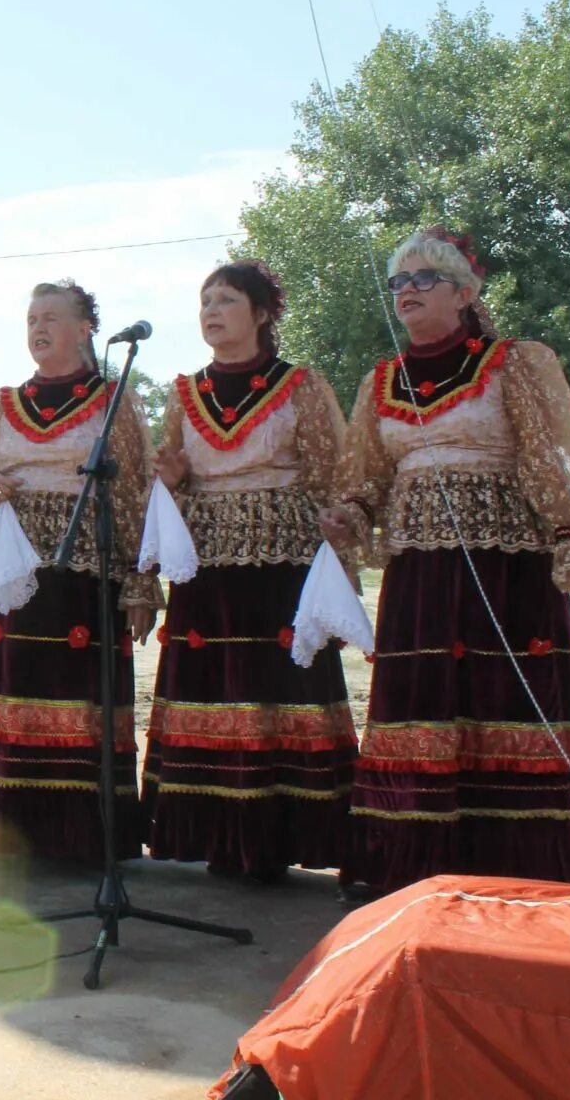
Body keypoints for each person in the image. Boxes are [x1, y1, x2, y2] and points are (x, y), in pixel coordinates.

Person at [320, 227, 570, 892]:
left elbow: (550, 454)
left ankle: (525, 863)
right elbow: (364, 475)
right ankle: (404, 861)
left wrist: (569, 531)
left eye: (423, 279)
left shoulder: (516, 362)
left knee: (504, 700)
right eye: (398, 282)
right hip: (419, 571)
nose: (406, 292)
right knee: (419, 701)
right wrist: (346, 513)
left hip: (505, 564)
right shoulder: (381, 380)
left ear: (466, 291)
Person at [0, 281, 162, 864]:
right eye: (31, 317)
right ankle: (8, 827)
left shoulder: (113, 401)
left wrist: (140, 583)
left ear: (85, 329)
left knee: (73, 698)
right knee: (11, 688)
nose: (38, 327)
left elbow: (135, 495)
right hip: (11, 576)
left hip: (83, 577)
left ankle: (75, 835)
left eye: (51, 316)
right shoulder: (4, 403)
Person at [140, 262, 357, 881]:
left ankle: (278, 836)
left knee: (278, 688)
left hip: (281, 561)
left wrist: (339, 566)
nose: (211, 310)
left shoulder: (301, 386)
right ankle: (216, 837)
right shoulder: (185, 394)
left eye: (227, 300)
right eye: (205, 300)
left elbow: (331, 478)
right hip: (206, 568)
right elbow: (170, 484)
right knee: (214, 688)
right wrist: (175, 485)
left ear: (262, 314)